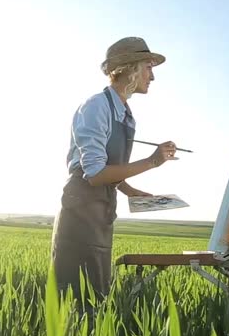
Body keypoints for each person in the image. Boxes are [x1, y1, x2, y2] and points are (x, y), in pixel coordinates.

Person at [51, 36, 177, 310]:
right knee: (77, 300)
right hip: (82, 208)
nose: (152, 76)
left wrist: (129, 190)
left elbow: (109, 168)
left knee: (97, 296)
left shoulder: (126, 113)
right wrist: (153, 162)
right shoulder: (97, 106)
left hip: (103, 209)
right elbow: (94, 173)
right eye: (148, 67)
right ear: (129, 68)